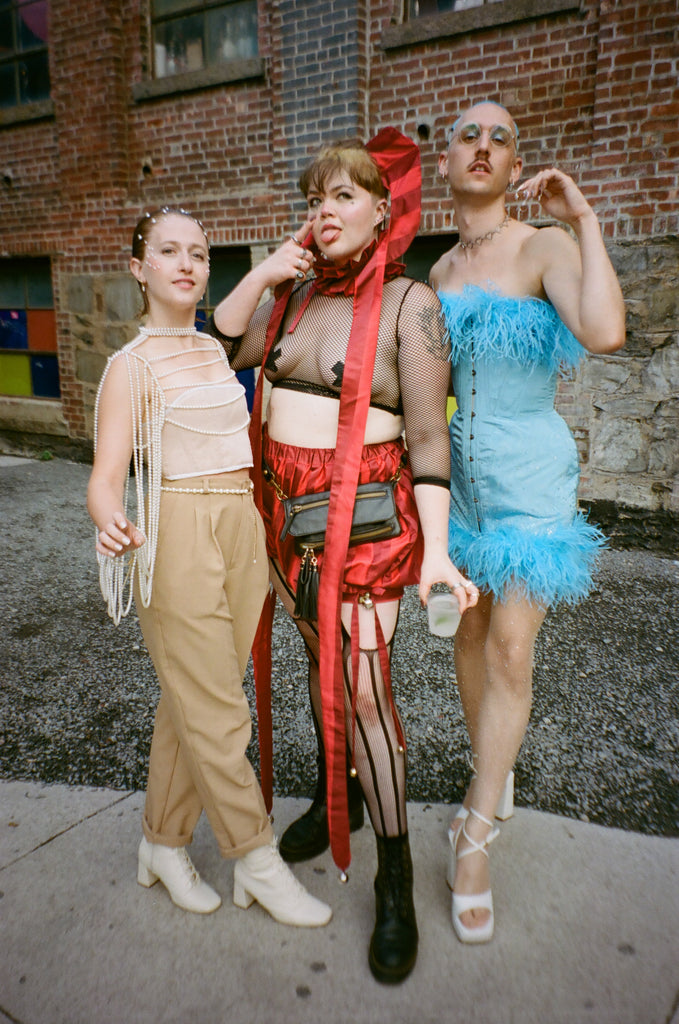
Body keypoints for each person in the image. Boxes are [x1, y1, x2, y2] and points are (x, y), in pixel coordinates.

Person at [208, 130, 478, 983]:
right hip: (286, 525)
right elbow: (222, 346)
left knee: (364, 697)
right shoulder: (288, 301)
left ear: (381, 210)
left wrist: (436, 554)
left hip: (365, 529)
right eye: (315, 198)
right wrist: (263, 272)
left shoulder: (411, 306)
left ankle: (393, 876)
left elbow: (431, 439)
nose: (324, 211)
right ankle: (349, 798)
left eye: (343, 196)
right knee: (319, 666)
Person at [86, 205, 331, 929]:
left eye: (198, 251)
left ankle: (161, 842)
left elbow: (229, 313)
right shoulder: (128, 368)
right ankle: (255, 858)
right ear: (140, 268)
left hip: (240, 525)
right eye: (168, 252)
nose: (187, 263)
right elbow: (104, 476)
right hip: (178, 529)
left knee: (197, 695)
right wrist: (108, 520)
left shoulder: (210, 347)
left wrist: (266, 270)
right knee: (220, 713)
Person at [430, 102, 626, 944]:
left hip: (528, 479)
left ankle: (475, 833)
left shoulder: (541, 246)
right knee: (468, 639)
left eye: (499, 137)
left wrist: (581, 220)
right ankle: (492, 773)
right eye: (468, 135)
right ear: (445, 163)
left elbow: (605, 331)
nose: (483, 145)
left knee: (511, 642)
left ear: (516, 168)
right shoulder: (436, 272)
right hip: (462, 489)